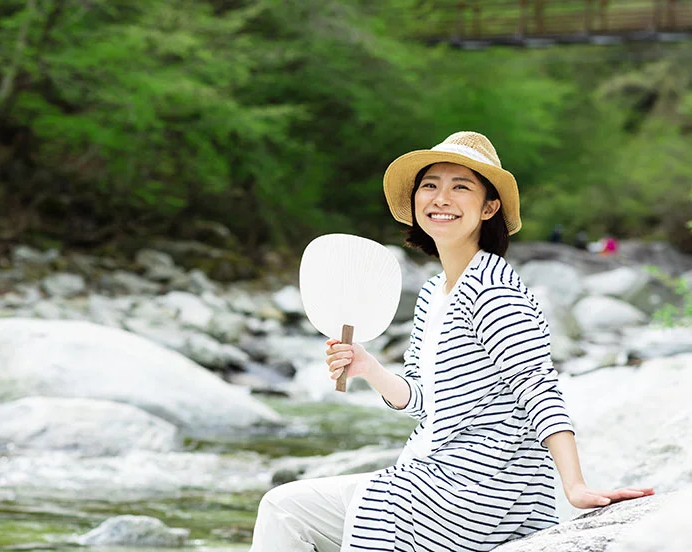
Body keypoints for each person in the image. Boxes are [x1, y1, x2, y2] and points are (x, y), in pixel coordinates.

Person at [249, 131, 654, 552]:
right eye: (430, 186)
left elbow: (537, 385)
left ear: (488, 206)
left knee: (284, 508)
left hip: (474, 492)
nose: (441, 198)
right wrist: (367, 367)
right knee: (295, 510)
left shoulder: (493, 290)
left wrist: (575, 485)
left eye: (460, 187)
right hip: (440, 478)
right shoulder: (433, 291)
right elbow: (424, 402)